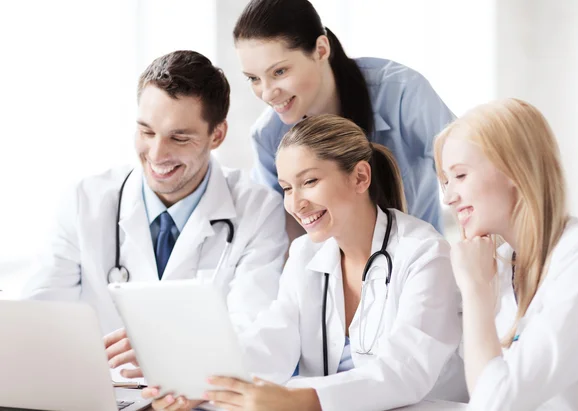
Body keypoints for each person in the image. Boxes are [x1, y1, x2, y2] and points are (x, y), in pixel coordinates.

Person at [144, 114, 467, 411]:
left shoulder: (424, 254)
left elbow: (405, 372)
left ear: (360, 177)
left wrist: (300, 399)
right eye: (286, 188)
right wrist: (202, 382)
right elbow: (273, 340)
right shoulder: (305, 254)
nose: (295, 203)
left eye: (309, 182)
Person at [23, 50, 287, 351]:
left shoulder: (258, 209)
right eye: (146, 131)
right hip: (104, 390)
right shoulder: (84, 202)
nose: (157, 154)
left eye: (180, 138)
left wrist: (165, 351)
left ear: (217, 135)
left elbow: (252, 333)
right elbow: (39, 321)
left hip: (204, 391)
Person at [233, 0, 455, 237]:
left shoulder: (401, 93)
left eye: (279, 72)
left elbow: (467, 168)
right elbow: (277, 232)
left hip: (421, 258)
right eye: (253, 79)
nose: (266, 93)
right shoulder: (268, 136)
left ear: (321, 50)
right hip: (332, 269)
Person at [435, 98, 578, 410]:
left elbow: (494, 403)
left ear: (513, 167)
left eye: (460, 176)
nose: (449, 198)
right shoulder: (499, 262)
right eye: (445, 181)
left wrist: (474, 293)